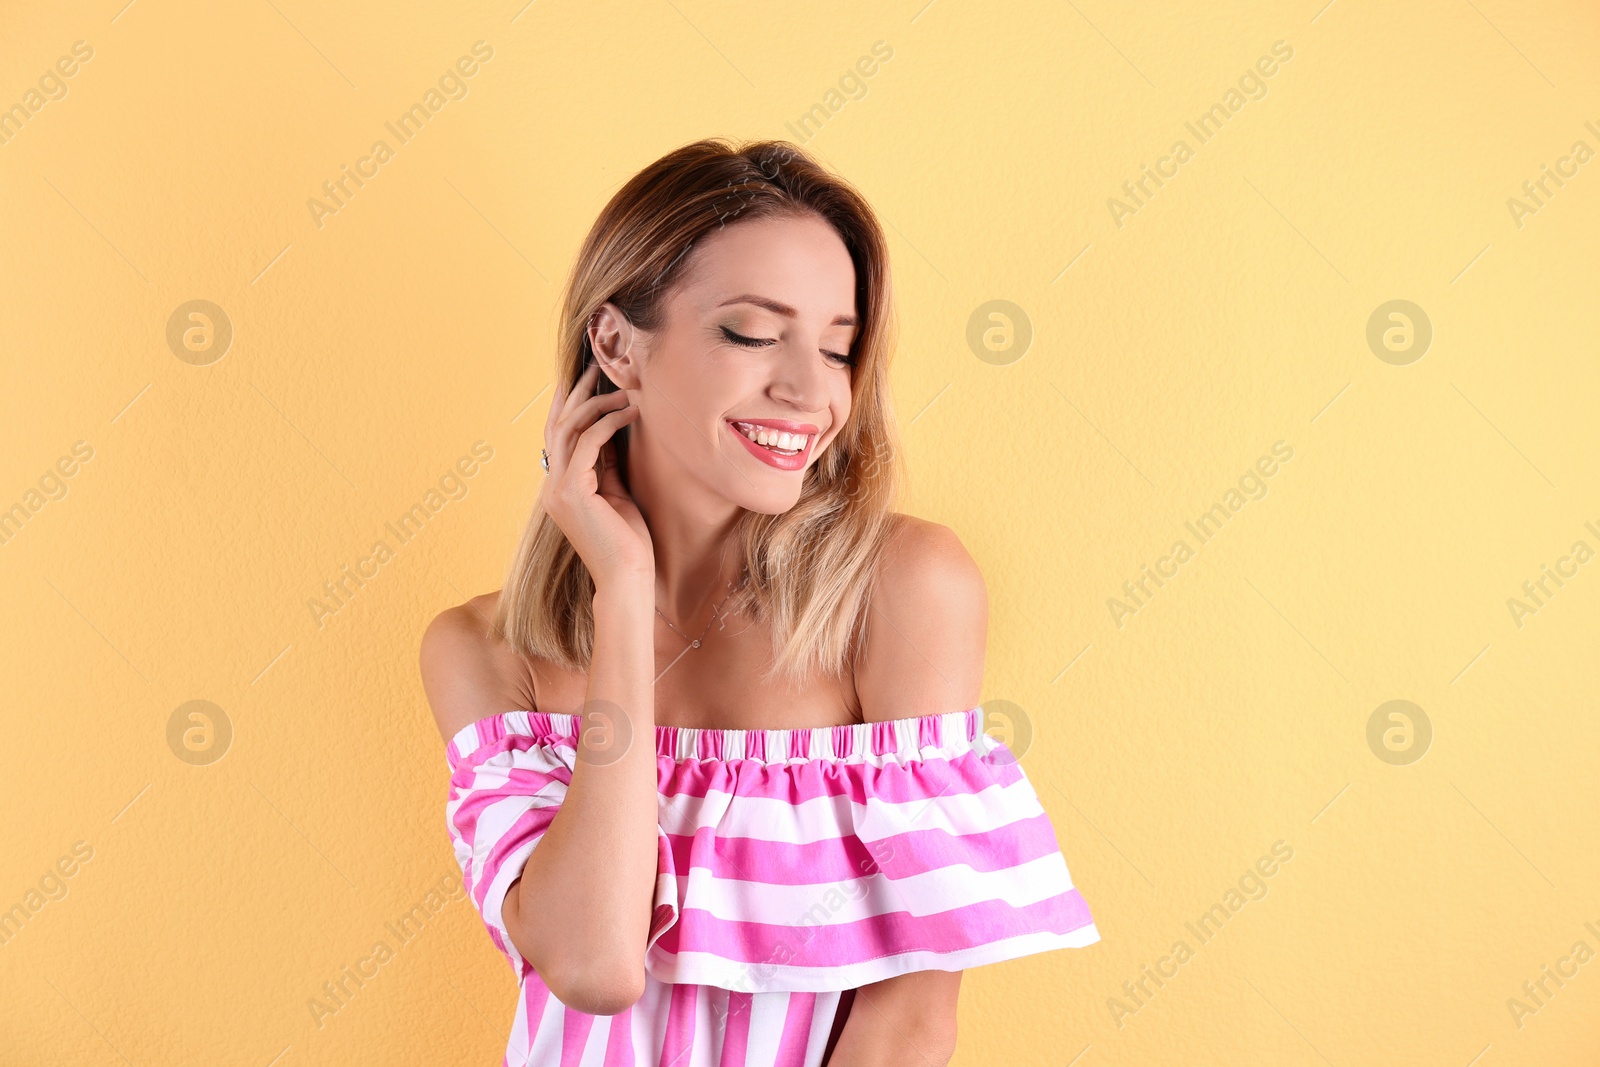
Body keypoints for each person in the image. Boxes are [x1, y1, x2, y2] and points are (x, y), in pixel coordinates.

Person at [420, 137, 1098, 1067]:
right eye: (750, 332)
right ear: (616, 344)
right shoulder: (483, 652)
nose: (811, 391)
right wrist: (621, 590)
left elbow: (909, 1024)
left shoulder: (905, 592)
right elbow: (593, 966)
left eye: (838, 346)